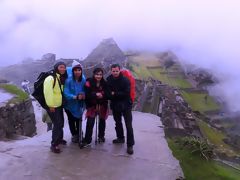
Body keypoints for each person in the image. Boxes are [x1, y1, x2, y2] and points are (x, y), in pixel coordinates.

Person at [107, 64, 135, 155]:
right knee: (118, 122)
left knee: (128, 124)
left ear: (119, 71)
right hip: (115, 104)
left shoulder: (125, 80)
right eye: (113, 71)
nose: (115, 72)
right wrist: (113, 94)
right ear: (111, 71)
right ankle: (120, 138)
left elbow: (126, 93)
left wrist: (114, 93)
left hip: (126, 104)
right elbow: (108, 91)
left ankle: (130, 145)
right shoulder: (109, 79)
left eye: (116, 71)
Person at [43, 61, 68, 153]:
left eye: (64, 67)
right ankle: (54, 144)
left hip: (59, 105)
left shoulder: (59, 77)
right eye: (61, 67)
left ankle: (59, 139)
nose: (63, 69)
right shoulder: (50, 78)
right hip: (53, 106)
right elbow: (48, 93)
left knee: (60, 123)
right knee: (57, 124)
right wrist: (51, 105)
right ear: (56, 67)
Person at [81, 68, 109, 148]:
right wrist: (96, 94)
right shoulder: (88, 82)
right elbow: (87, 93)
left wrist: (102, 95)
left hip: (102, 105)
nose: (98, 76)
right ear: (94, 74)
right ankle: (87, 140)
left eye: (100, 74)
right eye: (97, 74)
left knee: (102, 121)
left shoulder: (104, 83)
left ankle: (101, 136)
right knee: (90, 122)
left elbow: (107, 94)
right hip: (92, 105)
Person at [64, 63, 86, 143]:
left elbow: (85, 89)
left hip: (79, 104)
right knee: (71, 120)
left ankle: (80, 134)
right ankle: (74, 135)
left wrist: (83, 94)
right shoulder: (68, 80)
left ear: (81, 71)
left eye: (79, 70)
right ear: (73, 71)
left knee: (78, 119)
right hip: (69, 105)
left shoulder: (83, 79)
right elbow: (66, 92)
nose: (77, 72)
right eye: (75, 70)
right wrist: (75, 97)